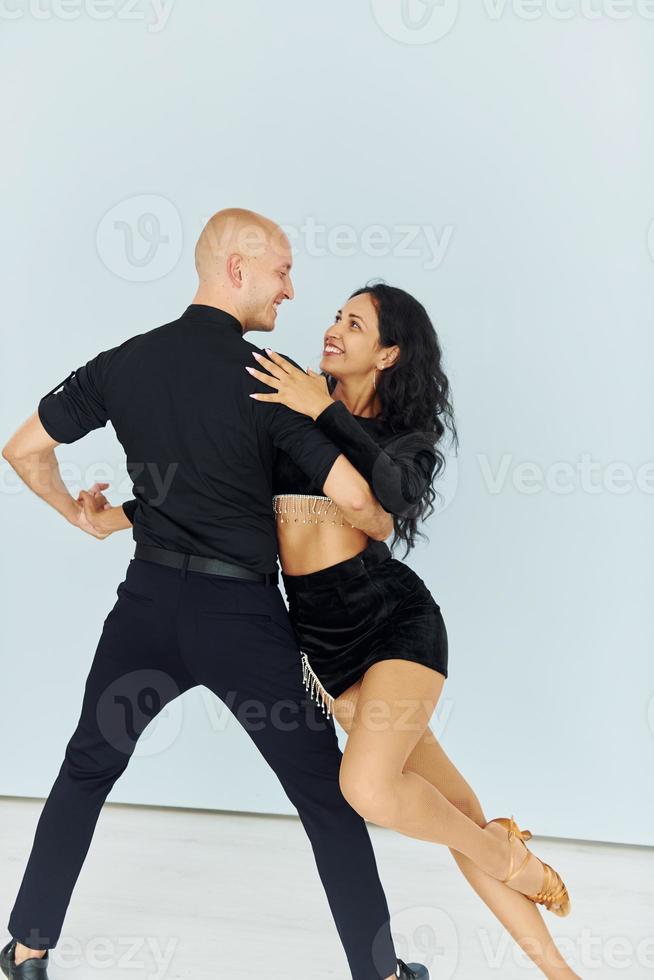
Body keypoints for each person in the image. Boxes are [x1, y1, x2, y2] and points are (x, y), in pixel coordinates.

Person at [86, 282, 580, 979]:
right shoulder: (289, 405)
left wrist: (324, 409)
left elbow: (396, 496)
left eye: (355, 325)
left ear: (387, 353)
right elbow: (222, 494)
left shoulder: (400, 435)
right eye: (336, 318)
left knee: (369, 789)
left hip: (396, 628)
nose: (334, 330)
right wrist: (120, 517)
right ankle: (560, 965)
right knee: (462, 814)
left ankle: (505, 856)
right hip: (327, 652)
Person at [0, 209, 427, 980]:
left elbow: (23, 449)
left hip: (147, 609)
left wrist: (82, 516)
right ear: (237, 269)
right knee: (324, 798)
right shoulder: (269, 378)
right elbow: (366, 508)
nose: (291, 290)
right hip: (244, 622)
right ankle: (383, 975)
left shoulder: (123, 363)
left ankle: (27, 949)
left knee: (86, 769)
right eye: (281, 271)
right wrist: (326, 424)